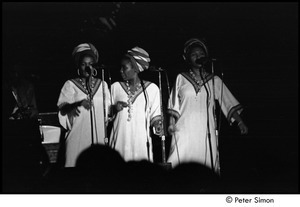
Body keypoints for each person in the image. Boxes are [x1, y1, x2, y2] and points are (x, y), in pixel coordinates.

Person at [167, 38, 248, 174]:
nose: (198, 56)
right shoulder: (181, 78)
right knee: (177, 162)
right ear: (187, 58)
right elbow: (173, 104)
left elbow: (227, 101)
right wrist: (171, 123)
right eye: (194, 54)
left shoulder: (214, 80)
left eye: (201, 54)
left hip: (206, 130)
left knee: (206, 164)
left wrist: (240, 122)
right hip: (184, 128)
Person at [57, 43, 111, 167]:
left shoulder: (103, 85)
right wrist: (76, 105)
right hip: (77, 136)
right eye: (83, 64)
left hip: (98, 137)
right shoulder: (70, 84)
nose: (87, 67)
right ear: (79, 67)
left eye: (90, 64)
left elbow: (107, 112)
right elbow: (62, 108)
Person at [109, 46, 162, 162]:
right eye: (120, 67)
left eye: (124, 68)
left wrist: (157, 125)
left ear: (136, 69)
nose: (121, 71)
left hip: (141, 143)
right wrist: (114, 109)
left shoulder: (152, 89)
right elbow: (106, 115)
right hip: (119, 140)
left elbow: (155, 116)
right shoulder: (115, 87)